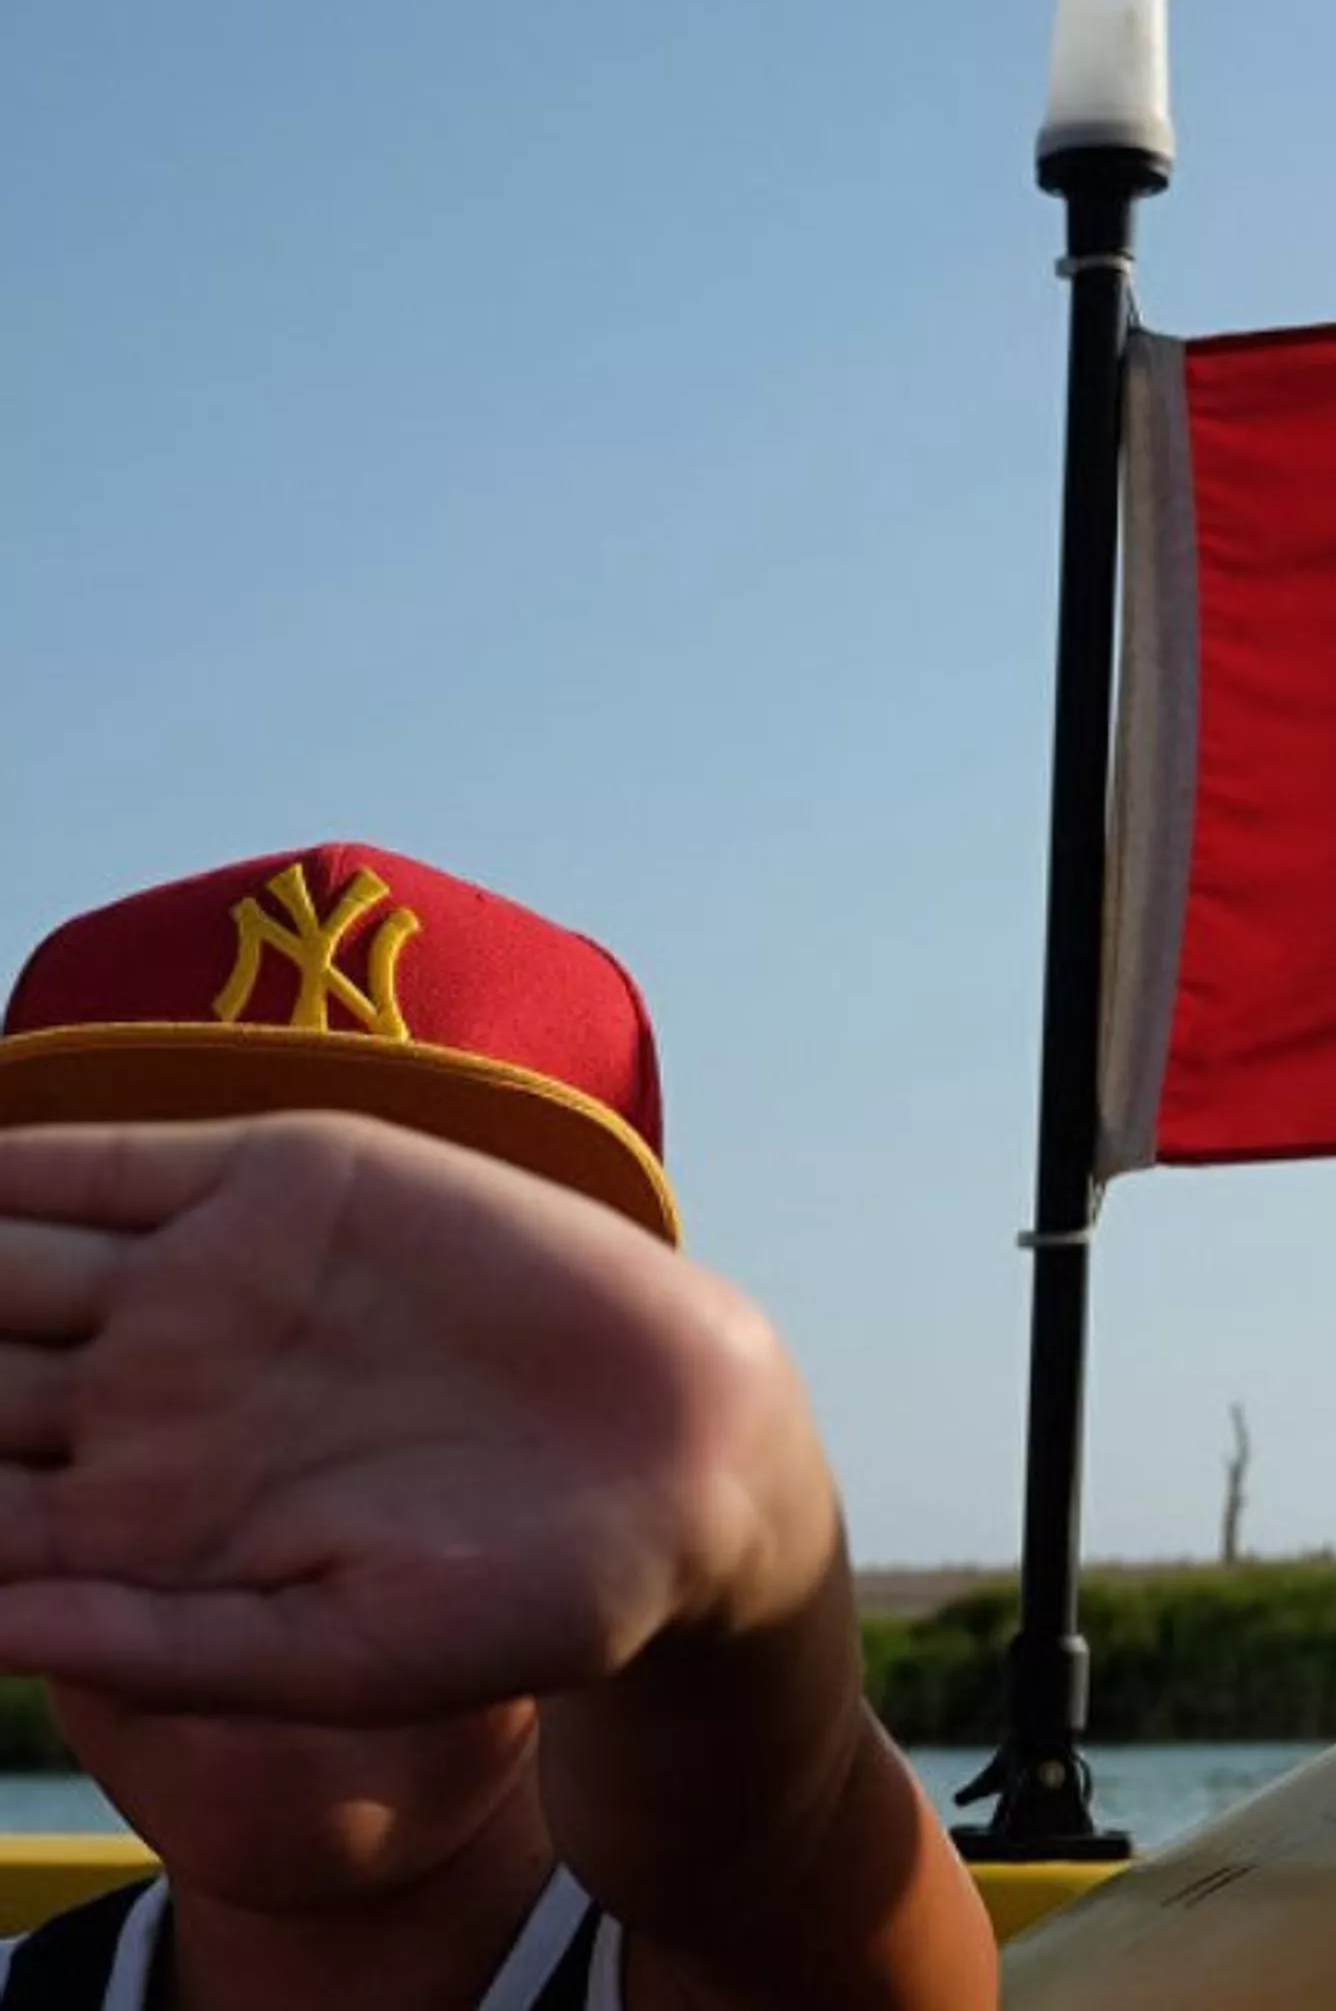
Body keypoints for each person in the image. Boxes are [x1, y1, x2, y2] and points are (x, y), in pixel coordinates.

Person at [0, 843, 1000, 2010]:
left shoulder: (702, 1967)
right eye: (163, 1371)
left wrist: (749, 1537)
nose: (276, 1523)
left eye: (420, 1394)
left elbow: (785, 1857)